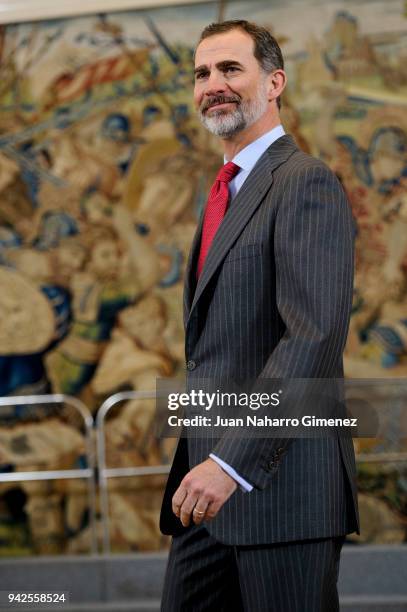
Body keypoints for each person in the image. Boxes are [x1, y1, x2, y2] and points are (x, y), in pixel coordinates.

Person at [160, 20, 360, 611]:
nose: (212, 84)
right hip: (204, 493)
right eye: (201, 73)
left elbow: (313, 337)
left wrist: (231, 460)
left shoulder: (305, 182)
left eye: (230, 69)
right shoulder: (225, 191)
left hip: (280, 488)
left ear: (274, 82)